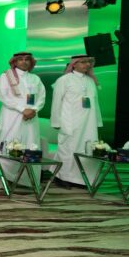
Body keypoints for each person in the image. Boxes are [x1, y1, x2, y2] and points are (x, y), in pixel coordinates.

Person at [50, 54, 103, 188]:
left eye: (88, 62)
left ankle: (81, 179)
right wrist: (56, 122)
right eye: (83, 62)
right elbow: (56, 102)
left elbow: (95, 103)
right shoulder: (64, 80)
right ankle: (61, 177)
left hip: (89, 123)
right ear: (74, 64)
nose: (87, 65)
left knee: (87, 149)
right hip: (70, 122)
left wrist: (97, 122)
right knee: (68, 149)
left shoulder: (90, 81)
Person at [0, 52, 46, 188]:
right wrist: (23, 109)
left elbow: (42, 96)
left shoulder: (35, 78)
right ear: (15, 62)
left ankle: (27, 179)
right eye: (20, 60)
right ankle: (3, 177)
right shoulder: (6, 76)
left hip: (31, 117)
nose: (24, 62)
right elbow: (3, 96)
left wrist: (34, 109)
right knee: (9, 143)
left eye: (27, 59)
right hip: (12, 116)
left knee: (30, 144)